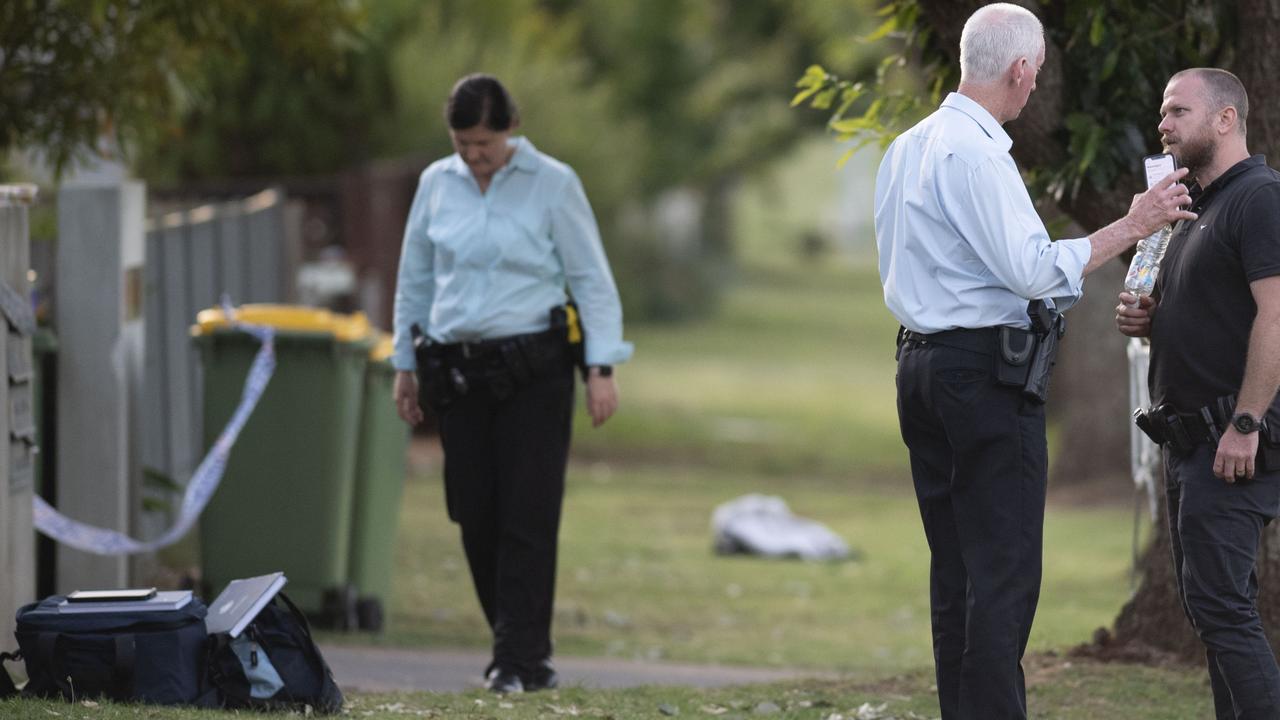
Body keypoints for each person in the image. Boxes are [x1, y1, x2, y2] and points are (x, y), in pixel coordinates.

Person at [873, 4, 1197, 718]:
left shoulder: (908, 146)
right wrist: (1136, 222)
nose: (1034, 86)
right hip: (980, 375)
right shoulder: (980, 152)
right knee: (1003, 571)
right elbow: (1035, 269)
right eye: (1038, 73)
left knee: (955, 568)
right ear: (1021, 70)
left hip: (918, 367)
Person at [391, 74, 633, 694]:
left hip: (535, 370)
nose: (473, 155)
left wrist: (601, 368)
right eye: (462, 142)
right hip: (457, 369)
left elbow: (591, 279)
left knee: (527, 513)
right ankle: (518, 646)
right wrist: (404, 365)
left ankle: (516, 659)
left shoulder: (554, 184)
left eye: (483, 143)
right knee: (474, 513)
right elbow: (414, 280)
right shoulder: (435, 185)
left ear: (510, 131)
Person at [1116, 68, 1280, 719]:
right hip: (1186, 446)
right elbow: (1212, 314)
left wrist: (1247, 422)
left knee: (1222, 611)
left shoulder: (1259, 198)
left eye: (1178, 111)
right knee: (1212, 610)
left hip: (1229, 442)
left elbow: (1276, 316)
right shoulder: (1187, 210)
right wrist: (1148, 319)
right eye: (1163, 113)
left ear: (1225, 120)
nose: (1164, 124)